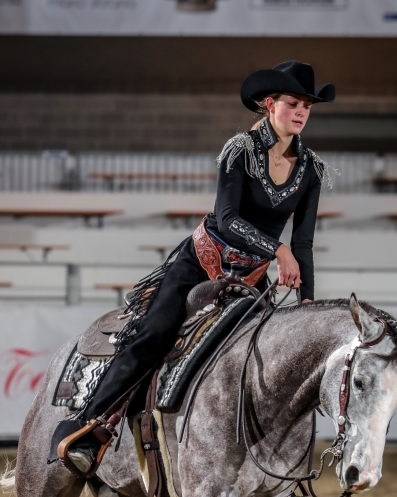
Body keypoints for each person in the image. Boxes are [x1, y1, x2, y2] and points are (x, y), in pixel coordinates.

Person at [51, 60, 336, 474]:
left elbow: (304, 243)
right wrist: (277, 249)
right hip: (201, 263)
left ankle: (277, 475)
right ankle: (90, 425)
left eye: (307, 106)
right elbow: (226, 219)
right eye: (293, 103)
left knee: (271, 357)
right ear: (269, 104)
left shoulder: (311, 168)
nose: (301, 112)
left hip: (251, 279)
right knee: (155, 332)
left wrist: (307, 303)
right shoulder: (239, 150)